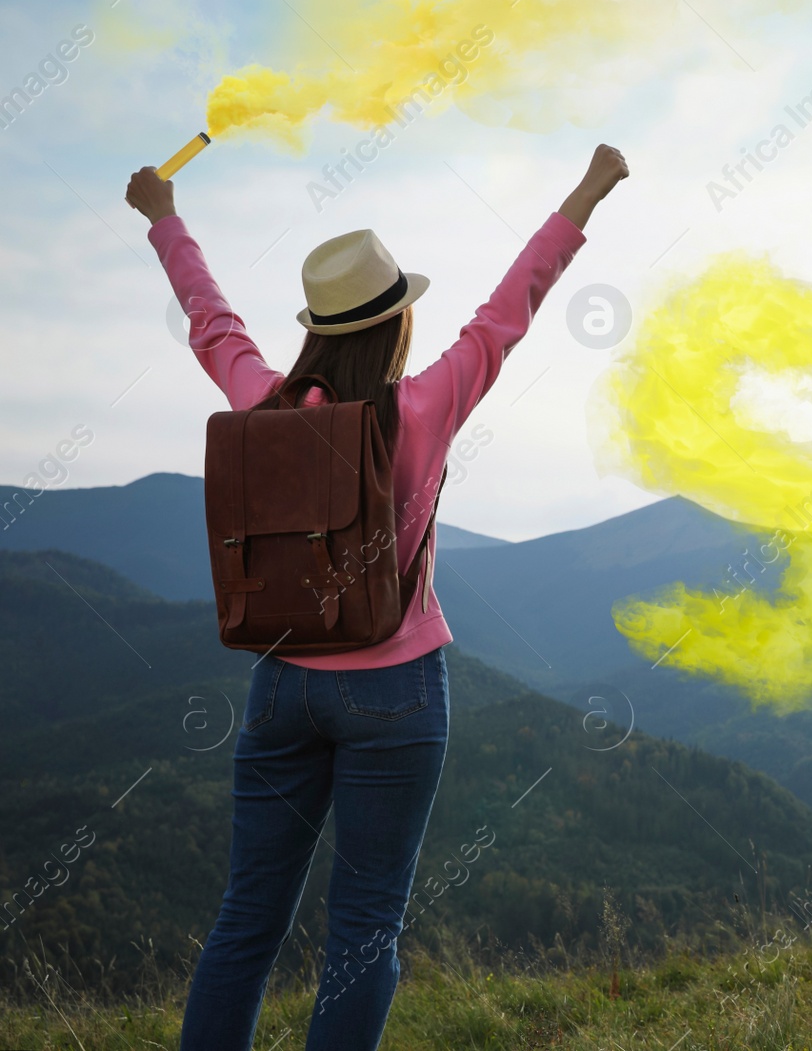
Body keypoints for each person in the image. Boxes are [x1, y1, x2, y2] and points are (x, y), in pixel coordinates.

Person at [124, 143, 628, 1051]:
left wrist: (164, 215)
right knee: (363, 932)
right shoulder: (424, 409)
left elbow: (212, 321)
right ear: (394, 323)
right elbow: (507, 309)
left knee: (247, 920)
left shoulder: (263, 402)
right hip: (397, 690)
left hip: (281, 682)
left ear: (317, 328)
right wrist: (586, 193)